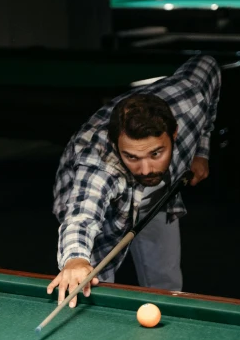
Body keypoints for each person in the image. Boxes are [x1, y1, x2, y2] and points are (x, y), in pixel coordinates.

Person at [47, 55, 221, 307]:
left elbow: (208, 65)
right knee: (93, 285)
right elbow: (81, 218)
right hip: (98, 202)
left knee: (166, 277)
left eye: (156, 153)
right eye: (132, 156)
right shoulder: (99, 164)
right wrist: (75, 259)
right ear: (117, 144)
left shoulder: (191, 99)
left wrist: (202, 151)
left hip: (159, 194)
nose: (146, 169)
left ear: (174, 133)